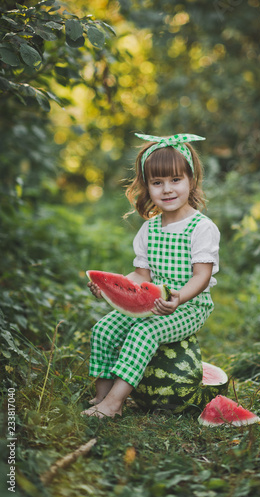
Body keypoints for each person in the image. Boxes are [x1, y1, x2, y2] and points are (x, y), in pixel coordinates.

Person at [82, 133, 220, 418]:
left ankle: (114, 404)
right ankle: (101, 396)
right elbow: (140, 274)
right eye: (157, 183)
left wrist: (179, 298)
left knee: (143, 332)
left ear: (191, 180)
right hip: (157, 303)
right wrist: (110, 287)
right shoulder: (149, 229)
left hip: (190, 306)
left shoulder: (201, 227)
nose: (167, 190)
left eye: (175, 180)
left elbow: (201, 276)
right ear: (147, 186)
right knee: (103, 330)